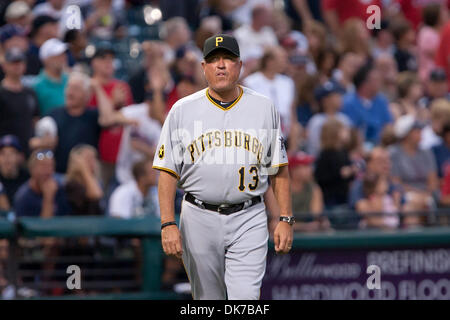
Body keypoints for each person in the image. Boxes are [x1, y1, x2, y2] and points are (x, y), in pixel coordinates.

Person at [153, 34, 294, 300]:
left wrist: (285, 218)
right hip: (198, 216)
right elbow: (167, 172)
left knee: (245, 298)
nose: (221, 65)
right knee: (208, 300)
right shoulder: (182, 111)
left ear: (239, 66)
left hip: (249, 215)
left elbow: (279, 169)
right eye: (213, 60)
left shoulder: (264, 108)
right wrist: (167, 222)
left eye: (228, 59)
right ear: (203, 68)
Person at [31, 71, 136, 174]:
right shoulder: (53, 114)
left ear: (87, 95)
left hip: (87, 176)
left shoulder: (93, 115)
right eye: (69, 87)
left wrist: (97, 88)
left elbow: (107, 118)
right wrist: (43, 143)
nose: (70, 92)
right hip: (58, 174)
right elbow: (32, 142)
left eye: (76, 89)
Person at [390, 114, 440, 226]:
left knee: (427, 203)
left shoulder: (427, 152)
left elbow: (433, 182)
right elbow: (396, 182)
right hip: (405, 196)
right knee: (410, 207)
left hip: (427, 196)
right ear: (407, 134)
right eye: (417, 131)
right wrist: (418, 194)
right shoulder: (394, 153)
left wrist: (426, 195)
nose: (421, 133)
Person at [243, 46, 295, 136]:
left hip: (285, 135)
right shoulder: (250, 82)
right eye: (282, 59)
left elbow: (291, 113)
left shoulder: (288, 82)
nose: (286, 62)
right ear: (269, 61)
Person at [341, 62, 393, 149]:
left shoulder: (381, 101)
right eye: (376, 80)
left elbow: (388, 125)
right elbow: (350, 131)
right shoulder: (348, 103)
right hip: (356, 148)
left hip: (380, 146)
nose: (380, 83)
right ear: (364, 83)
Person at [0, 47, 39, 156]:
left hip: (27, 151)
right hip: (6, 153)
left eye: (20, 62)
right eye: (13, 62)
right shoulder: (1, 93)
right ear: (4, 66)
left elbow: (35, 119)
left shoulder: (30, 92)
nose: (17, 66)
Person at [14, 149, 70, 217]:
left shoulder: (60, 188)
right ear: (32, 169)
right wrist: (48, 198)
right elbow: (43, 226)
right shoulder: (23, 197)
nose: (47, 171)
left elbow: (66, 220)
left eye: (50, 166)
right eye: (43, 166)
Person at [314, 118, 356, 209]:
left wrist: (352, 171)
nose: (346, 132)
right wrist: (339, 174)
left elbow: (349, 172)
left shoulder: (344, 151)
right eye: (343, 129)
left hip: (344, 195)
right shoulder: (325, 154)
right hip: (330, 198)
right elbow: (320, 177)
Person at [306, 80, 351, 156]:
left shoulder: (344, 119)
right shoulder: (316, 121)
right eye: (336, 96)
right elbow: (316, 147)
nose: (340, 99)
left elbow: (349, 144)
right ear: (325, 100)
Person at [288, 152, 329, 233]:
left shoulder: (314, 188)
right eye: (305, 166)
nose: (310, 169)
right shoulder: (280, 188)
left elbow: (315, 216)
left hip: (309, 232)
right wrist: (304, 226)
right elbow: (277, 223)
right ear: (293, 170)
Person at [32, 38, 69, 115]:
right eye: (57, 55)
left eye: (63, 54)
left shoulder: (70, 80)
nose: (63, 58)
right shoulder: (37, 86)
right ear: (46, 59)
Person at [64, 144, 103, 216]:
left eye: (94, 158)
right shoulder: (72, 185)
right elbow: (95, 195)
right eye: (88, 158)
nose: (93, 162)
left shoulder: (97, 182)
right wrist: (84, 169)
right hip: (78, 225)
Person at [0, 135, 29, 206]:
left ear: (20, 156)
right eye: (3, 153)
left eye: (12, 153)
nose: (7, 157)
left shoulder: (27, 178)